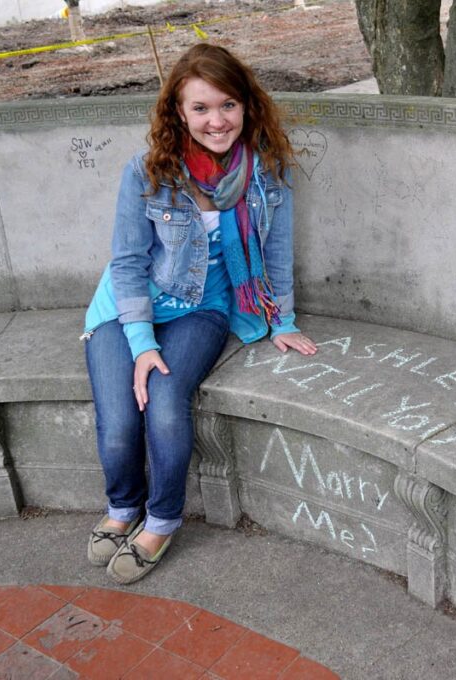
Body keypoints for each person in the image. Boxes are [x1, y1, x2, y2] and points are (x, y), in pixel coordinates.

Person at [81, 43, 317, 585]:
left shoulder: (266, 174)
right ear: (179, 114)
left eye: (228, 105)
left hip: (201, 311)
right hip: (126, 308)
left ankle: (161, 520)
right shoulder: (147, 172)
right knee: (119, 423)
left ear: (247, 106)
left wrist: (281, 320)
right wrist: (141, 343)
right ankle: (122, 507)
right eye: (201, 108)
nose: (217, 121)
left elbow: (276, 254)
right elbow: (127, 262)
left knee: (165, 407)